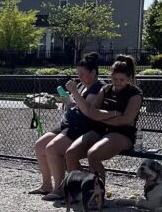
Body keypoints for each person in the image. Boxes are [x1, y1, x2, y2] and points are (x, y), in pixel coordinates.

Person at [64, 55, 143, 192]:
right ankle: (80, 189)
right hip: (100, 130)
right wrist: (112, 114)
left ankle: (98, 193)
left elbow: (126, 120)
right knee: (71, 153)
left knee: (93, 154)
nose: (117, 83)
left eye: (122, 80)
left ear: (129, 78)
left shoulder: (135, 94)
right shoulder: (105, 89)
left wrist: (102, 116)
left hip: (121, 134)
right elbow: (92, 112)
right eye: (115, 79)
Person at [30, 52, 103, 199]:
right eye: (78, 73)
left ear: (93, 72)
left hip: (83, 127)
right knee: (40, 145)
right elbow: (76, 105)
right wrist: (68, 100)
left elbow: (87, 111)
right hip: (69, 124)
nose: (80, 77)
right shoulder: (83, 85)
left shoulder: (98, 88)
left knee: (52, 148)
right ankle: (46, 185)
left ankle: (60, 189)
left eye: (83, 73)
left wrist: (74, 92)